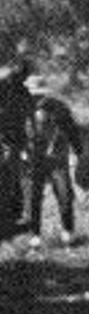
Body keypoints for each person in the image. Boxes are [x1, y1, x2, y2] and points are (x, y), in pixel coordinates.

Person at [20, 76, 81, 248]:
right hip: (31, 161)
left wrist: (77, 152)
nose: (37, 98)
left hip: (57, 160)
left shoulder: (60, 108)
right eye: (33, 95)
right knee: (31, 199)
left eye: (40, 95)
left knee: (65, 196)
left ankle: (68, 233)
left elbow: (73, 132)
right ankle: (34, 237)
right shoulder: (18, 109)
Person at [0, 57, 32, 243]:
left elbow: (29, 116)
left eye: (24, 75)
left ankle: (9, 220)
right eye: (19, 73)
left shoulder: (24, 92)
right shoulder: (2, 87)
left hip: (15, 142)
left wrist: (28, 142)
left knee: (11, 180)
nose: (21, 77)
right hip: (4, 139)